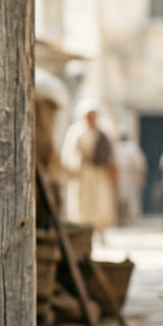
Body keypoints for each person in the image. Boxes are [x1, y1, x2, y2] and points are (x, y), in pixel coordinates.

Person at [60, 100, 119, 241]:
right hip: (82, 174)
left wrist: (113, 175)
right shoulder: (76, 132)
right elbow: (68, 155)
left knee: (100, 204)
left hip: (99, 174)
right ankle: (83, 233)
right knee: (82, 205)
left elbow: (110, 157)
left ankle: (100, 232)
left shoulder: (103, 134)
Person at [114, 130, 146, 224]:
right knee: (118, 197)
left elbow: (139, 163)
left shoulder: (132, 147)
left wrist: (140, 176)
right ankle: (119, 218)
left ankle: (128, 217)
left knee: (129, 197)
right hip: (118, 174)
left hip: (129, 175)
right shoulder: (115, 147)